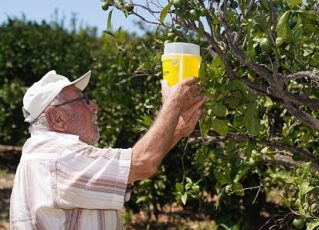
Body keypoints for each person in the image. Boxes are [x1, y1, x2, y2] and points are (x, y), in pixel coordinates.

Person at [10, 70, 205, 229]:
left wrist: (177, 131)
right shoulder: (59, 158)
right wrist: (173, 103)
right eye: (83, 99)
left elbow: (133, 170)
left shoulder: (45, 155)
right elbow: (142, 163)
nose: (94, 106)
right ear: (57, 118)